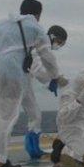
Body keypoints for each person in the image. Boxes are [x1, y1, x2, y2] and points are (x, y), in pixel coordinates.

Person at [0, 0, 66, 167]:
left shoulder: (0, 23)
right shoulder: (35, 27)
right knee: (6, 118)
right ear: (38, 14)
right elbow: (47, 56)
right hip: (10, 71)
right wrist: (55, 76)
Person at [22, 25, 68, 159]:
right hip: (20, 83)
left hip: (23, 82)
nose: (58, 45)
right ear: (52, 37)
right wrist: (56, 80)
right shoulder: (39, 48)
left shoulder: (36, 45)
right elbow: (37, 69)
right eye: (59, 42)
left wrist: (54, 80)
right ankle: (33, 149)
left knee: (34, 115)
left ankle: (33, 148)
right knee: (34, 115)